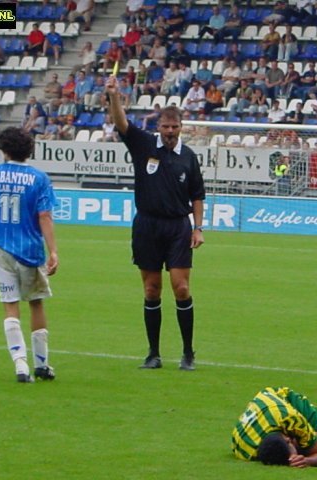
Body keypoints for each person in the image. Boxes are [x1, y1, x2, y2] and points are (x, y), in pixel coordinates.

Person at [106, 75, 205, 371]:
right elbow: (122, 123)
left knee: (182, 288)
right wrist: (114, 96)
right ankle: (154, 353)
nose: (170, 132)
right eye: (165, 127)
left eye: (175, 127)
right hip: (147, 226)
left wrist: (198, 228)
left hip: (178, 227)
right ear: (158, 127)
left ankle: (187, 353)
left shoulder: (188, 157)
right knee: (151, 290)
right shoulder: (144, 145)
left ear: (181, 128)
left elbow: (198, 194)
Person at [0, 127, 58, 384]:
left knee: (9, 304)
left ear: (3, 149)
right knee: (36, 302)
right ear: (29, 149)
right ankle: (42, 364)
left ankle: (20, 365)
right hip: (30, 249)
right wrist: (53, 250)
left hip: (0, 248)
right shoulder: (39, 178)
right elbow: (45, 215)